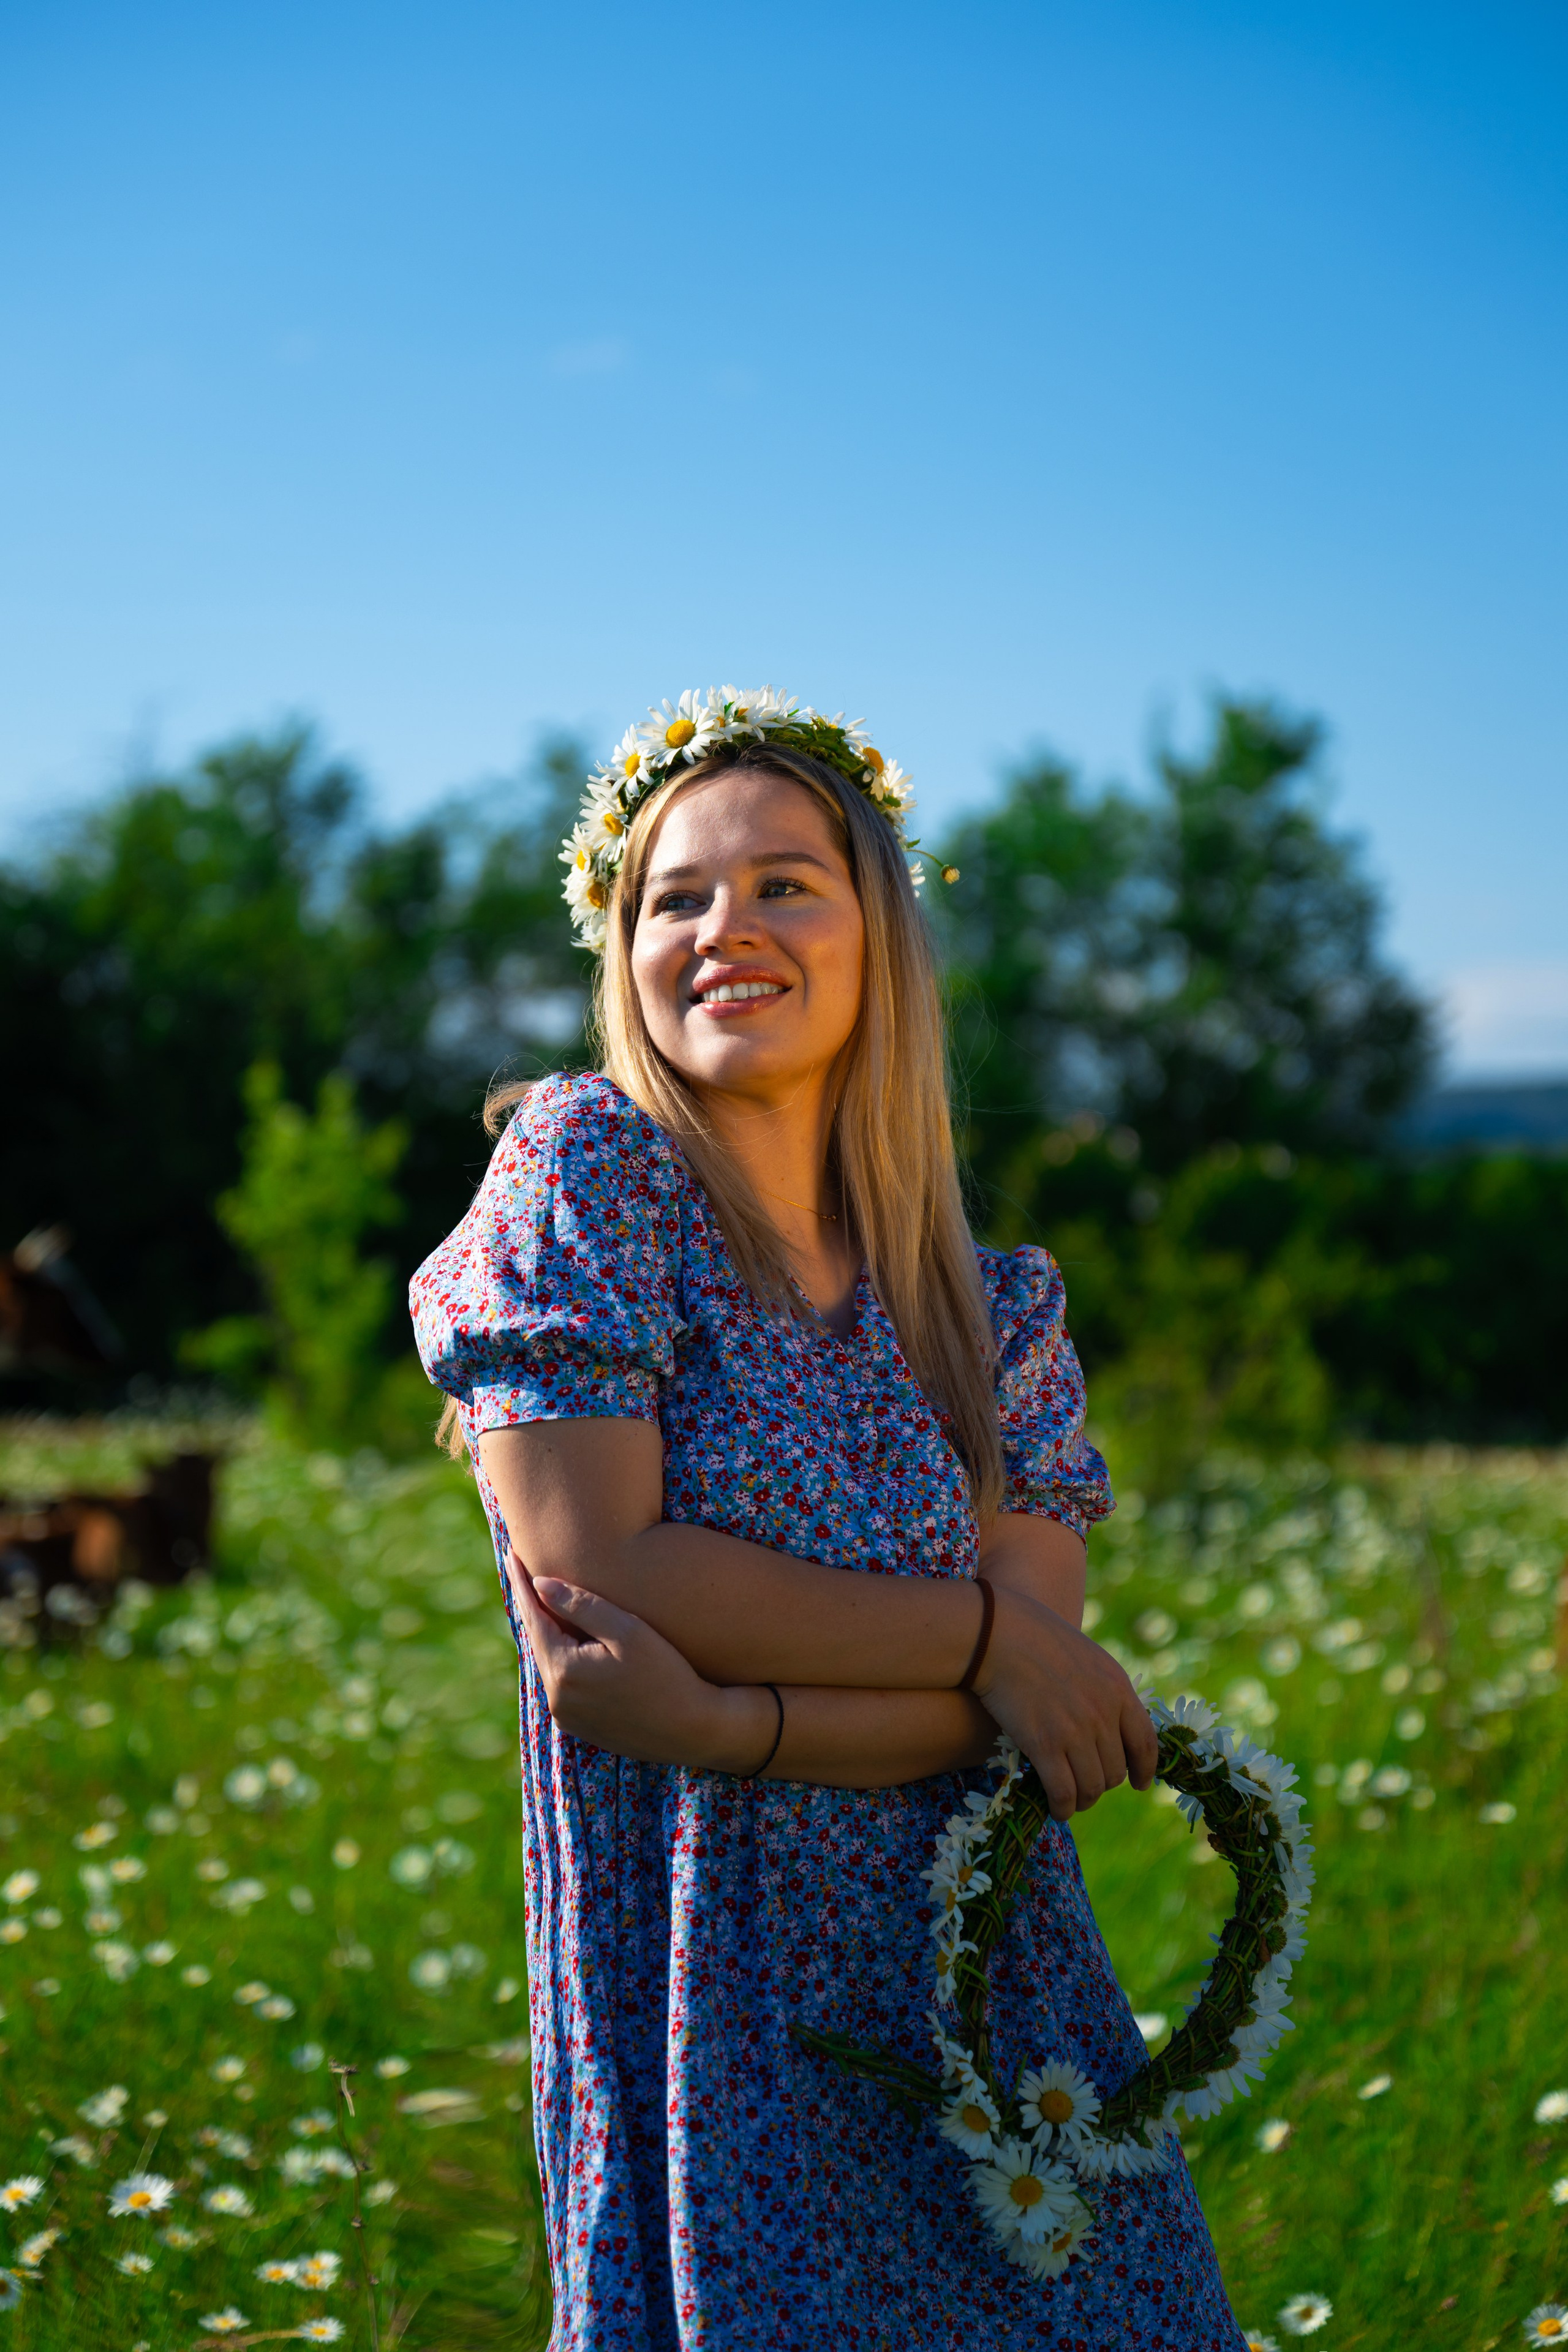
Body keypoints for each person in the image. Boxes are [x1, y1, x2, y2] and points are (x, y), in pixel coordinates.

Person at [410, 690, 1243, 2351]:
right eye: (675, 896)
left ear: (878, 932)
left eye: (787, 882)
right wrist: (993, 1645)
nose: (730, 927)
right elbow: (609, 1568)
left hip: (988, 1983)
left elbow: (1025, 1719)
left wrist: (730, 1714)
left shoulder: (990, 1307)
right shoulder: (589, 1178)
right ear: (623, 947)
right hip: (711, 1996)